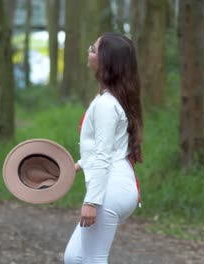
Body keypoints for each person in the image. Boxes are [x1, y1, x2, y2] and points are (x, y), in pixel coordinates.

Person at [64, 32, 143, 264]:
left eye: (94, 49)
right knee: (74, 257)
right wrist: (76, 166)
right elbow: (105, 148)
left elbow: (103, 155)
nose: (89, 50)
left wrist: (91, 202)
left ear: (107, 61)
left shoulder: (107, 104)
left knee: (93, 259)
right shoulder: (110, 99)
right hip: (114, 186)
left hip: (110, 191)